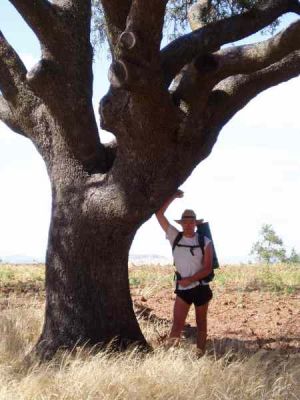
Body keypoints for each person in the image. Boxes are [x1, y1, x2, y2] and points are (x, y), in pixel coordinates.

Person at [156, 190, 213, 355]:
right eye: (185, 222)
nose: (188, 224)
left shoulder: (205, 241)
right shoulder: (175, 236)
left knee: (201, 324)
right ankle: (168, 357)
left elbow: (208, 267)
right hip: (183, 289)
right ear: (181, 224)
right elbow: (159, 214)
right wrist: (171, 197)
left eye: (191, 221)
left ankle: (200, 356)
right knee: (177, 325)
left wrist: (191, 279)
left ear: (196, 223)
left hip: (201, 288)